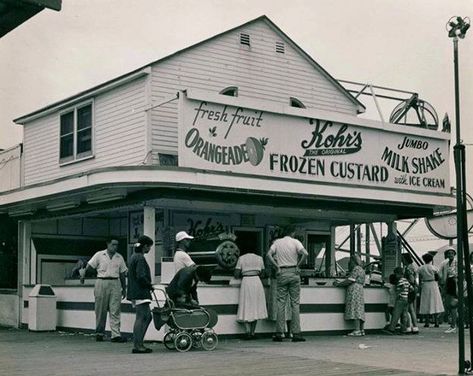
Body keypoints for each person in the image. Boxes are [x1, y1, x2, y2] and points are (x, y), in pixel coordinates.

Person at [80, 237, 128, 342]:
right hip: (101, 281)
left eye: (117, 245)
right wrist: (84, 275)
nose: (115, 247)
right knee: (100, 309)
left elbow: (122, 274)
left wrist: (124, 288)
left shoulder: (119, 257)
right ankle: (99, 332)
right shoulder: (99, 255)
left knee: (115, 309)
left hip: (115, 282)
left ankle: (115, 334)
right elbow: (89, 266)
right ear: (108, 244)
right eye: (113, 244)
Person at [267, 224, 308, 342]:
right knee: (295, 303)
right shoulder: (295, 242)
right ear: (293, 233)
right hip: (293, 272)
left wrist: (277, 267)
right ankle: (296, 333)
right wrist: (298, 266)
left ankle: (279, 333)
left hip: (282, 272)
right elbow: (305, 254)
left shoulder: (277, 242)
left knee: (281, 303)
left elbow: (268, 255)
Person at [127, 235, 154, 354]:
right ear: (145, 246)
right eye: (149, 246)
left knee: (147, 317)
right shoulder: (140, 258)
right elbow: (141, 276)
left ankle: (139, 343)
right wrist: (149, 285)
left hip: (135, 290)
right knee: (142, 317)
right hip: (141, 291)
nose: (150, 249)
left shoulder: (134, 256)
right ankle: (138, 345)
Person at [234, 249, 268, 339]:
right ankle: (253, 332)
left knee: (246, 305)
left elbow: (236, 274)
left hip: (246, 281)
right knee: (255, 306)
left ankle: (247, 331)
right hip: (257, 281)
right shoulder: (259, 258)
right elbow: (263, 273)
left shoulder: (241, 258)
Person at [334, 254, 366, 336]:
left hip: (354, 290)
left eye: (350, 261)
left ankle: (357, 330)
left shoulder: (356, 269)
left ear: (353, 261)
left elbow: (350, 280)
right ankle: (362, 329)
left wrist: (339, 284)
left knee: (355, 309)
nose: (349, 263)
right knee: (359, 309)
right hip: (359, 290)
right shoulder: (361, 269)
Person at [418, 253, 444, 327]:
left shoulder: (421, 268)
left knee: (426, 302)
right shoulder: (434, 268)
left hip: (425, 284)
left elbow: (420, 277)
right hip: (433, 284)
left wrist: (420, 285)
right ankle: (436, 322)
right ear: (431, 260)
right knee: (435, 302)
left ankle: (427, 322)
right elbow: (438, 277)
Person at [384, 267, 410, 334]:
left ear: (399, 274)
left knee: (396, 314)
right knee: (404, 314)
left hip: (400, 298)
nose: (395, 275)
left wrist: (398, 293)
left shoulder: (400, 280)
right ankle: (404, 329)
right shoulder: (406, 280)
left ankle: (391, 329)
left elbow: (402, 287)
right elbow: (411, 288)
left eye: (396, 274)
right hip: (406, 298)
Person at [439, 247, 458, 333]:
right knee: (448, 304)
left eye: (452, 253)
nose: (450, 255)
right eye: (448, 253)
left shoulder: (457, 262)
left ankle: (453, 325)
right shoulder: (446, 263)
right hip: (449, 283)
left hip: (455, 282)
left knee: (453, 304)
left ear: (454, 254)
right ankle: (453, 323)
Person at [402, 253, 419, 334]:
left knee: (407, 309)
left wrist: (403, 281)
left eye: (402, 259)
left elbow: (411, 280)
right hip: (413, 289)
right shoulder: (412, 266)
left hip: (409, 289)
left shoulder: (408, 268)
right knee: (411, 309)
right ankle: (415, 326)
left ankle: (408, 326)